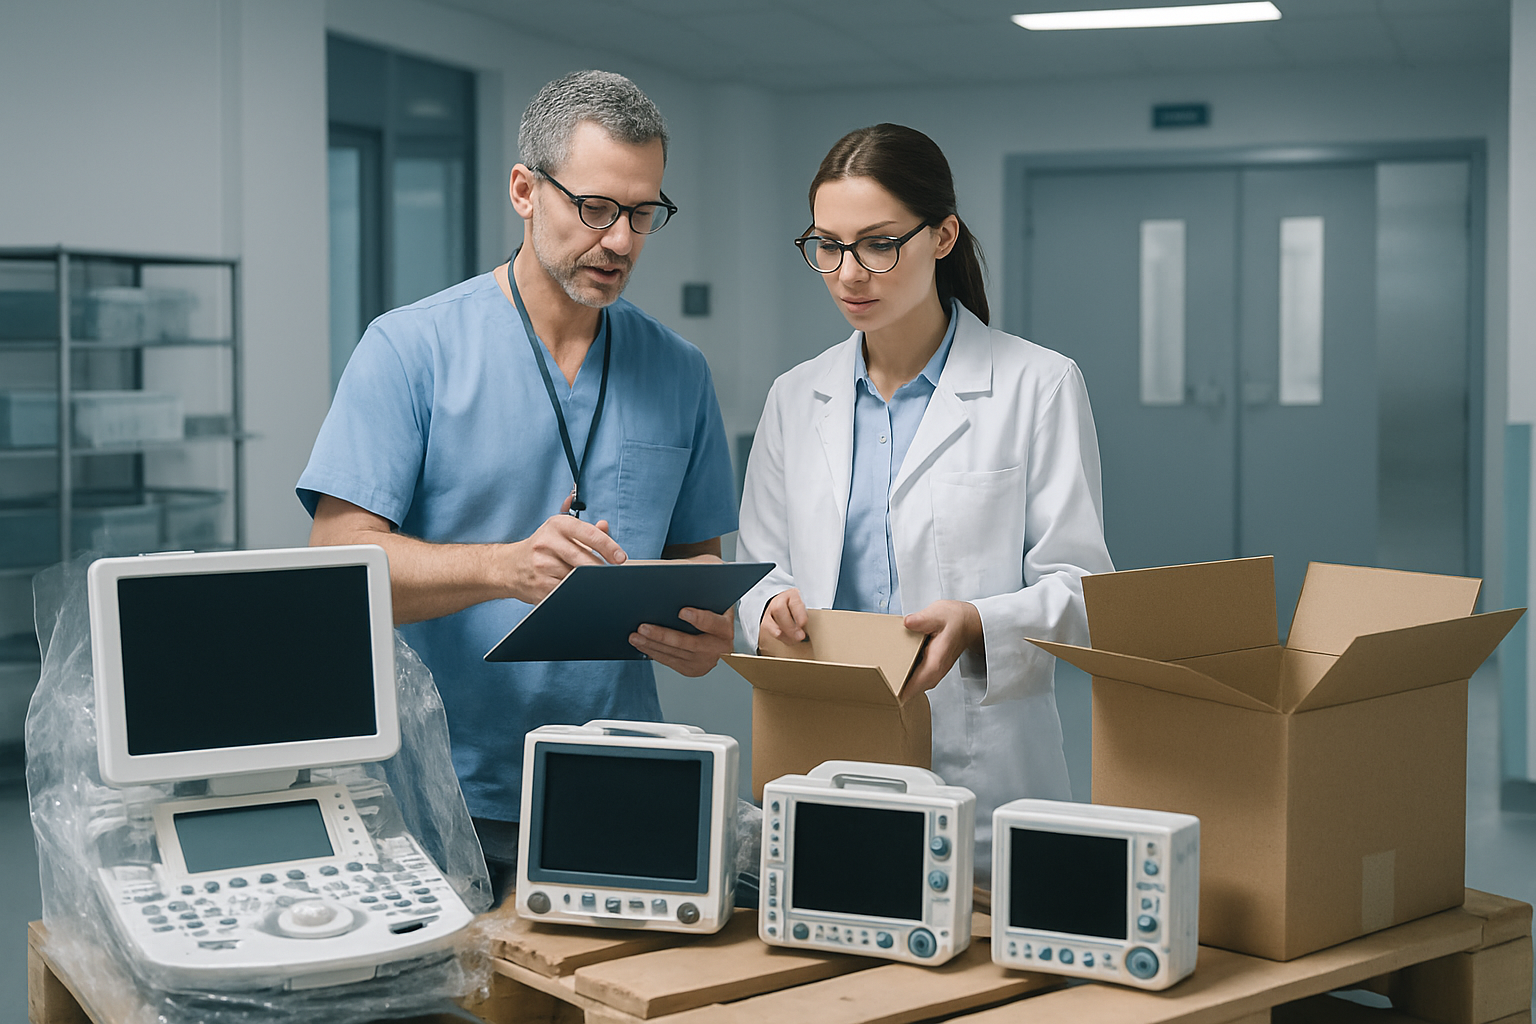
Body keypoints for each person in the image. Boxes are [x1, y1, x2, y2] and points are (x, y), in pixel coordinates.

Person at [297, 71, 738, 895]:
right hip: (437, 794)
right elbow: (336, 566)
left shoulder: (678, 371)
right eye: (597, 208)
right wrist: (502, 568)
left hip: (617, 778)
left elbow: (698, 571)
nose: (621, 241)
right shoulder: (410, 350)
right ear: (525, 191)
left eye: (644, 214)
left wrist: (708, 639)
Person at [736, 123, 1115, 884]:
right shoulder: (794, 395)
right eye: (828, 246)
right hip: (825, 749)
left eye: (878, 244)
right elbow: (756, 570)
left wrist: (981, 620)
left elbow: (1084, 592)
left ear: (942, 236)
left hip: (983, 764)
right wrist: (767, 606)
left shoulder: (1037, 385)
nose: (849, 273)